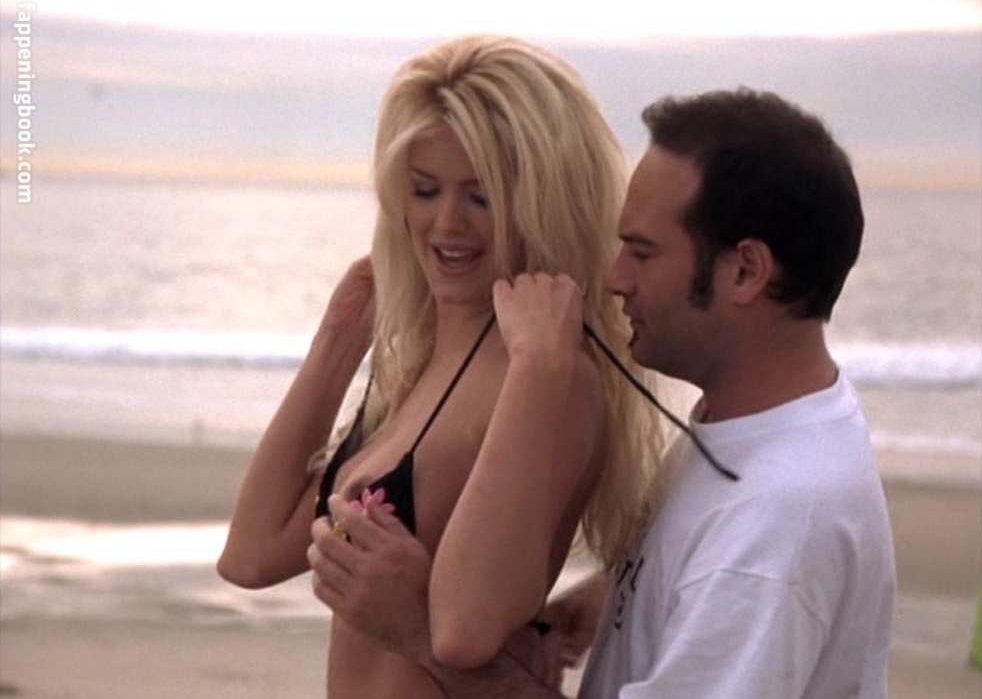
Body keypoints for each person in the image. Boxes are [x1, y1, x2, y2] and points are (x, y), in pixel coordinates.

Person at [308, 88, 897, 698]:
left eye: (642, 252)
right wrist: (606, 601)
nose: (616, 279)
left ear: (745, 271)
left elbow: (744, 572)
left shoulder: (776, 522)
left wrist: (417, 631)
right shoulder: (760, 428)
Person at [217, 35, 663, 698]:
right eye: (425, 190)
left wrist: (538, 370)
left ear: (543, 201)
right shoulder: (427, 358)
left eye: (481, 197)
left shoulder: (549, 376)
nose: (446, 224)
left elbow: (463, 631)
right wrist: (337, 344)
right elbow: (250, 555)